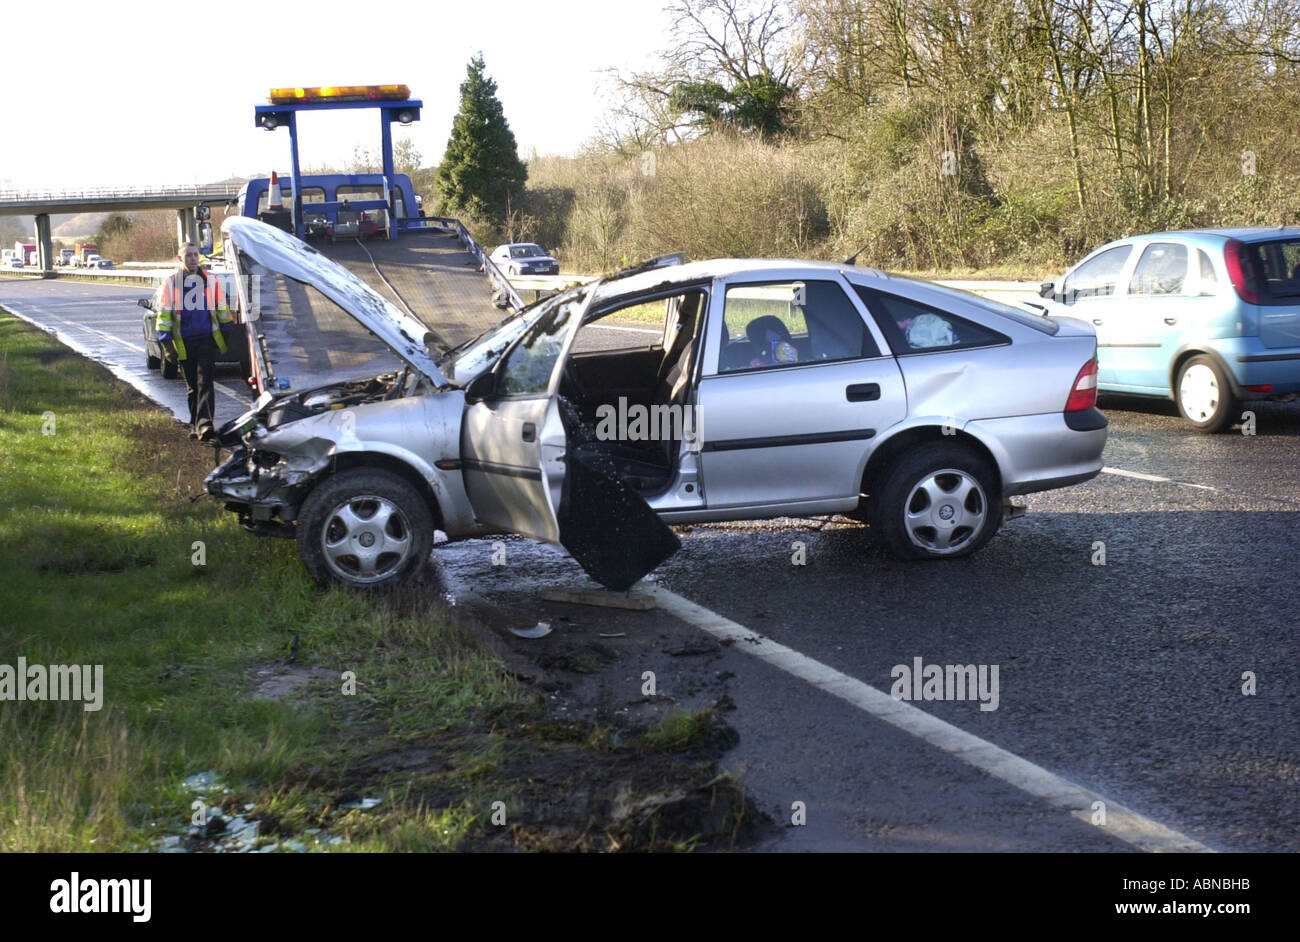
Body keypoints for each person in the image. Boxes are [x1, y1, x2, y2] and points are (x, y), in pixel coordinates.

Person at [156, 242, 235, 441]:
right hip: (184, 343)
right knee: (193, 386)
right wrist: (166, 344)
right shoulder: (172, 283)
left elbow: (222, 308)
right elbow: (164, 315)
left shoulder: (210, 280)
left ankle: (206, 425)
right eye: (188, 255)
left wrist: (227, 332)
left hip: (207, 340)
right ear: (180, 258)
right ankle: (195, 425)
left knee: (205, 382)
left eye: (195, 255)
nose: (193, 258)